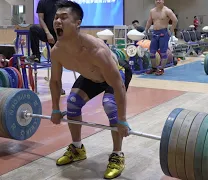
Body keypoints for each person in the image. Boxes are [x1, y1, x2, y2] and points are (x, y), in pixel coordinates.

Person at [49, 1, 132, 179]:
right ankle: (77, 149)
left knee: (110, 105)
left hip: (117, 73)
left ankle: (117, 155)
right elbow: (55, 81)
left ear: (77, 23)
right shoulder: (57, 51)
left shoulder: (96, 50)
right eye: (56, 17)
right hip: (91, 76)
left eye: (64, 17)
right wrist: (55, 109)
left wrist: (123, 119)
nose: (57, 21)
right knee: (72, 103)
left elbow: (118, 85)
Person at [30, 0, 65, 95]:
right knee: (33, 29)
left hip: (60, 34)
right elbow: (41, 19)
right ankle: (36, 55)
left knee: (58, 61)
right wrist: (48, 33)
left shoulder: (64, 2)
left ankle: (59, 87)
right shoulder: (42, 2)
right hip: (48, 33)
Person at [143, 0, 178, 76]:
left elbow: (175, 20)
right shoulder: (152, 11)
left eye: (160, 0)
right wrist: (145, 30)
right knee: (152, 52)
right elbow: (149, 21)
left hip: (164, 33)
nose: (158, 1)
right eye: (156, 0)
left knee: (163, 52)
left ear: (163, 1)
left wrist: (171, 31)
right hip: (155, 34)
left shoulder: (167, 11)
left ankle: (161, 69)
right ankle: (154, 67)